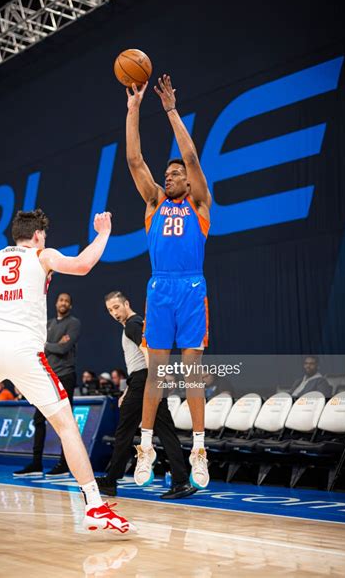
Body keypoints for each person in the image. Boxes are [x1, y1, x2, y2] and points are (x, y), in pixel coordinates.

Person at [0, 208, 135, 534]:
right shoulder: (42, 255)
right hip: (23, 353)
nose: (44, 240)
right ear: (37, 236)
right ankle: (94, 506)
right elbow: (83, 265)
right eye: (43, 236)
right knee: (66, 427)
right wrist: (103, 233)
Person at [126, 75, 211, 488]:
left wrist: (171, 110)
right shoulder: (154, 203)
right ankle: (144, 448)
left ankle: (199, 449)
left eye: (175, 173)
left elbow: (192, 156)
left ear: (188, 182)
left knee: (192, 371)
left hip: (192, 287)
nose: (171, 175)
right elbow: (134, 161)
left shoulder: (198, 202)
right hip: (159, 287)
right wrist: (133, 109)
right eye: (169, 172)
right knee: (155, 375)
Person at [97, 291, 196, 499]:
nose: (114, 313)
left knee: (124, 431)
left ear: (127, 303)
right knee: (166, 431)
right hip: (143, 380)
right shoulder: (137, 324)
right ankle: (181, 481)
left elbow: (148, 352)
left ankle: (110, 481)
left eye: (116, 307)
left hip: (144, 382)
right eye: (109, 310)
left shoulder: (133, 324)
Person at [14, 292, 81, 478]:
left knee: (64, 421)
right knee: (38, 420)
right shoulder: (48, 324)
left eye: (67, 301)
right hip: (46, 377)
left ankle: (64, 463)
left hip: (65, 375)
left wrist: (45, 344)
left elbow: (62, 348)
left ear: (70, 305)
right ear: (56, 303)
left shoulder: (73, 323)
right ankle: (36, 463)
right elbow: (37, 348)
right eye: (61, 300)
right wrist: (49, 345)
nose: (64, 303)